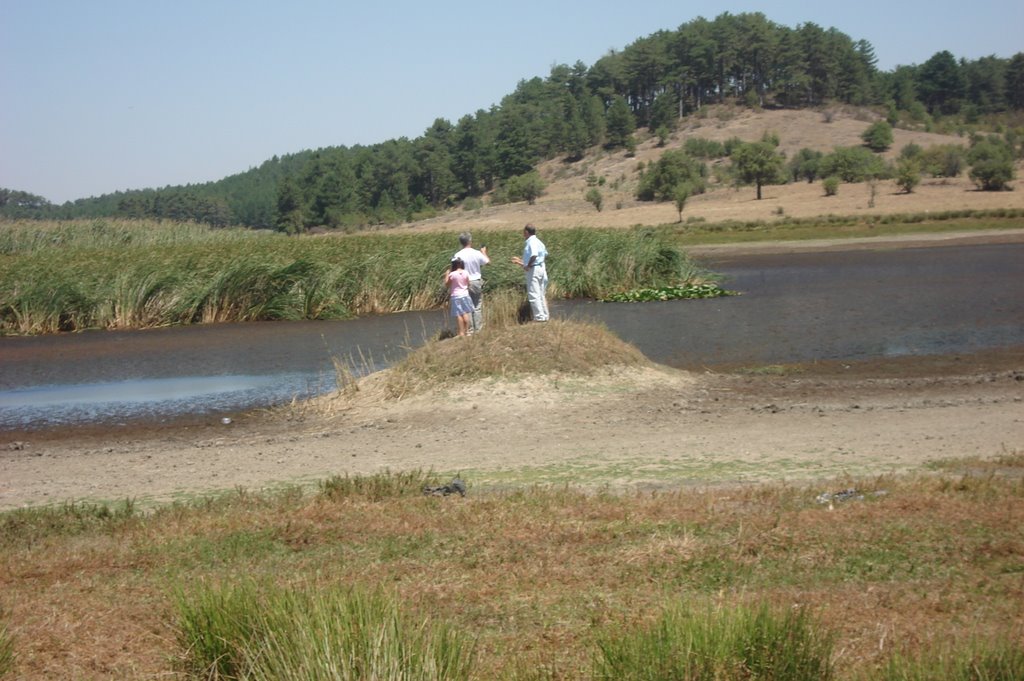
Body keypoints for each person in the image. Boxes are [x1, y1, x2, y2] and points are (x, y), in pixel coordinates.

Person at [452, 232, 489, 334]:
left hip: (463, 283)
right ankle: (479, 330)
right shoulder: (477, 253)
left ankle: (470, 331)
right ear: (470, 241)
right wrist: (484, 252)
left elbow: (454, 270)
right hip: (476, 281)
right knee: (477, 306)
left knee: (467, 308)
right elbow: (488, 262)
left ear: (461, 242)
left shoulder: (457, 255)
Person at [511, 223, 549, 322]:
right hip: (541, 268)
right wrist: (520, 261)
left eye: (524, 232)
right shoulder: (539, 242)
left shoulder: (531, 242)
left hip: (534, 269)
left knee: (534, 294)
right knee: (540, 294)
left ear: (527, 232)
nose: (523, 234)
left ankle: (539, 318)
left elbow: (534, 255)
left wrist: (528, 265)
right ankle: (544, 316)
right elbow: (544, 255)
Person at [445, 257, 473, 337]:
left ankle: (461, 333)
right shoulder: (465, 272)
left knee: (459, 314)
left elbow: (447, 284)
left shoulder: (452, 274)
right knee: (465, 313)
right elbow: (468, 283)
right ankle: (467, 331)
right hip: (465, 295)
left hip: (456, 296)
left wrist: (446, 275)